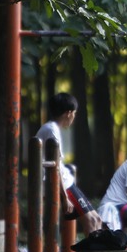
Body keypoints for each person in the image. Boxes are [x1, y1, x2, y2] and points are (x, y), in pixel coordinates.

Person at [36, 92, 103, 236]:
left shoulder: (51, 128)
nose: (74, 117)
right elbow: (56, 167)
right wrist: (65, 197)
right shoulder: (51, 131)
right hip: (62, 185)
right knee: (91, 221)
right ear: (68, 113)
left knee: (96, 219)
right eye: (74, 113)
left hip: (67, 183)